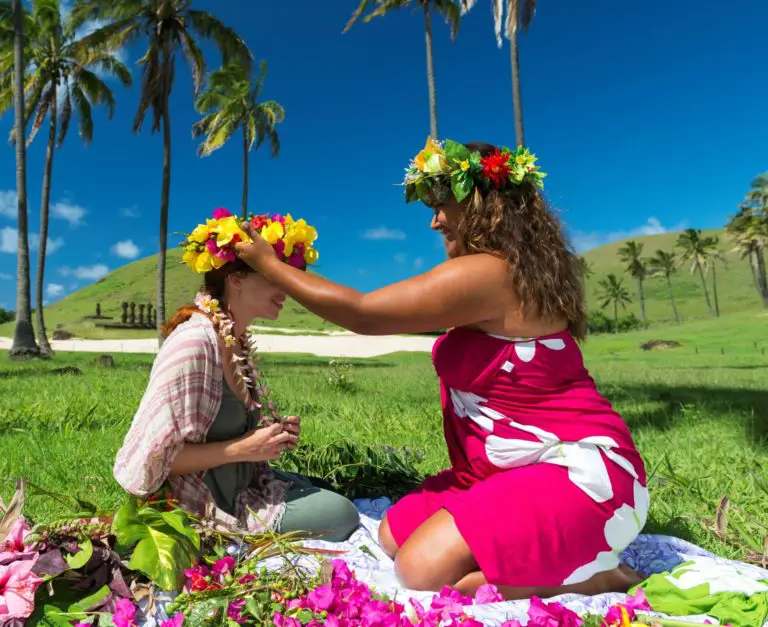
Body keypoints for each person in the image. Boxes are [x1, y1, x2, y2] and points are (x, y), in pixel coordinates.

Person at [234, 140, 647, 598]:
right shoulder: (514, 272)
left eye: (441, 205)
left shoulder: (492, 274)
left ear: (482, 205)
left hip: (581, 473)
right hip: (510, 469)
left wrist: (268, 266)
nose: (434, 220)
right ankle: (551, 554)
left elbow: (365, 312)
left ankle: (597, 576)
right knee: (394, 533)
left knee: (420, 572)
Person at [113, 209, 360, 542]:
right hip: (201, 500)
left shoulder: (234, 337)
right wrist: (243, 448)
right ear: (236, 278)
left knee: (328, 490)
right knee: (343, 513)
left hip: (241, 479)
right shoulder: (194, 343)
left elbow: (220, 428)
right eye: (273, 273)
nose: (286, 286)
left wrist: (268, 435)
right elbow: (152, 462)